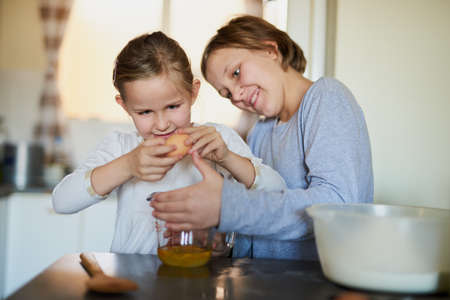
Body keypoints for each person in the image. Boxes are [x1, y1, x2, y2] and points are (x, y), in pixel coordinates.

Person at [150, 15, 374, 260]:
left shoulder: (326, 98)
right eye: (226, 94)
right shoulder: (261, 131)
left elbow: (337, 206)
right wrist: (218, 235)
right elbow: (257, 221)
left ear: (270, 50)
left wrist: (227, 208)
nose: (237, 95)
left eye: (236, 73)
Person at [52, 31, 286, 255]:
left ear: (193, 93)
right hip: (134, 282)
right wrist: (128, 165)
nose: (162, 125)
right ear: (124, 106)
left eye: (173, 106)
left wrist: (228, 158)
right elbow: (62, 201)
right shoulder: (121, 147)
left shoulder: (217, 139)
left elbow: (278, 191)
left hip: (202, 278)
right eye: (144, 112)